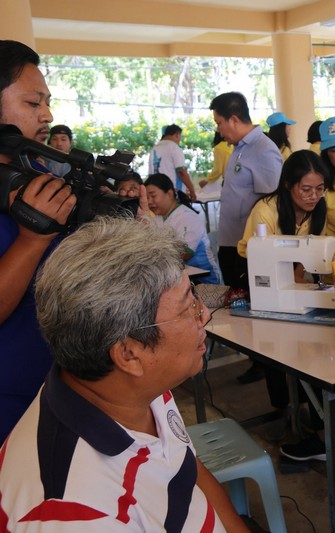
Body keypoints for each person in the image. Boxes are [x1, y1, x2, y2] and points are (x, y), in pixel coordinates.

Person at [0, 217, 248, 532]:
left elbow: (185, 468)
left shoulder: (133, 387)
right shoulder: (76, 515)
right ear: (128, 354)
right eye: (188, 308)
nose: (204, 315)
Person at [0, 40, 77, 442]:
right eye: (33, 103)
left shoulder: (35, 174)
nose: (47, 114)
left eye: (47, 102)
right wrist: (31, 240)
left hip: (55, 387)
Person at [236, 150, 333, 433]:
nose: (314, 196)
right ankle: (287, 408)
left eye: (319, 189)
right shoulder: (266, 211)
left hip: (294, 275)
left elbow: (308, 253)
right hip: (259, 276)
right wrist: (297, 280)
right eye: (306, 189)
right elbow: (261, 256)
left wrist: (303, 278)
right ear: (289, 185)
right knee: (277, 346)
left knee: (311, 346)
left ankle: (314, 409)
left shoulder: (318, 209)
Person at [209, 91, 282, 291]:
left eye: (219, 123)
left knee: (247, 300)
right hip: (231, 241)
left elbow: (272, 203)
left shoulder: (264, 150)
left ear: (233, 120)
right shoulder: (240, 148)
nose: (218, 130)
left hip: (247, 247)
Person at [145, 173, 222, 285]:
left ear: (169, 194)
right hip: (178, 279)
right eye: (147, 198)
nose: (149, 202)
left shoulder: (187, 216)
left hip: (205, 281)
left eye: (153, 196)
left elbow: (185, 253)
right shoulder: (158, 218)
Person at [148, 123, 197, 201]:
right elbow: (181, 172)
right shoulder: (174, 148)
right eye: (180, 137)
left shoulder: (154, 149)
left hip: (157, 193)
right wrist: (192, 190)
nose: (179, 140)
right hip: (174, 193)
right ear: (177, 134)